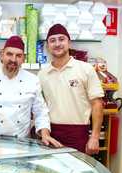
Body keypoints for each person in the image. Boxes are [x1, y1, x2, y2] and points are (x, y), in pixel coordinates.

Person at [38, 24, 104, 154]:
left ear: (69, 42)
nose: (57, 44)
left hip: (79, 134)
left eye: (61, 39)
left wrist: (95, 137)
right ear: (47, 46)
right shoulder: (42, 74)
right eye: (52, 40)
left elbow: (97, 104)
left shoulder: (85, 69)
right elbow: (40, 107)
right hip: (51, 134)